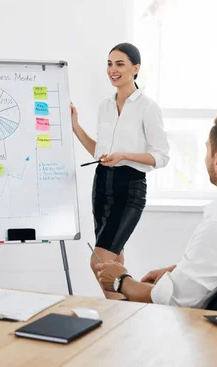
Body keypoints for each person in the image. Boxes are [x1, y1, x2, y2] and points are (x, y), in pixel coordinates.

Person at [95, 109, 217, 308]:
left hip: (192, 327)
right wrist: (178, 272)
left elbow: (171, 301)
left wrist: (120, 280)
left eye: (207, 150)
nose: (205, 158)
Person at [71, 43, 170, 299]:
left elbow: (160, 156)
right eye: (109, 64)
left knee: (99, 264)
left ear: (135, 69)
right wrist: (75, 127)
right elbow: (98, 152)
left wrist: (125, 155)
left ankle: (140, 302)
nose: (112, 70)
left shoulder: (148, 107)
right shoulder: (105, 105)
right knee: (115, 263)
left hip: (129, 189)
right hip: (102, 186)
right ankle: (125, 316)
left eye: (120, 64)